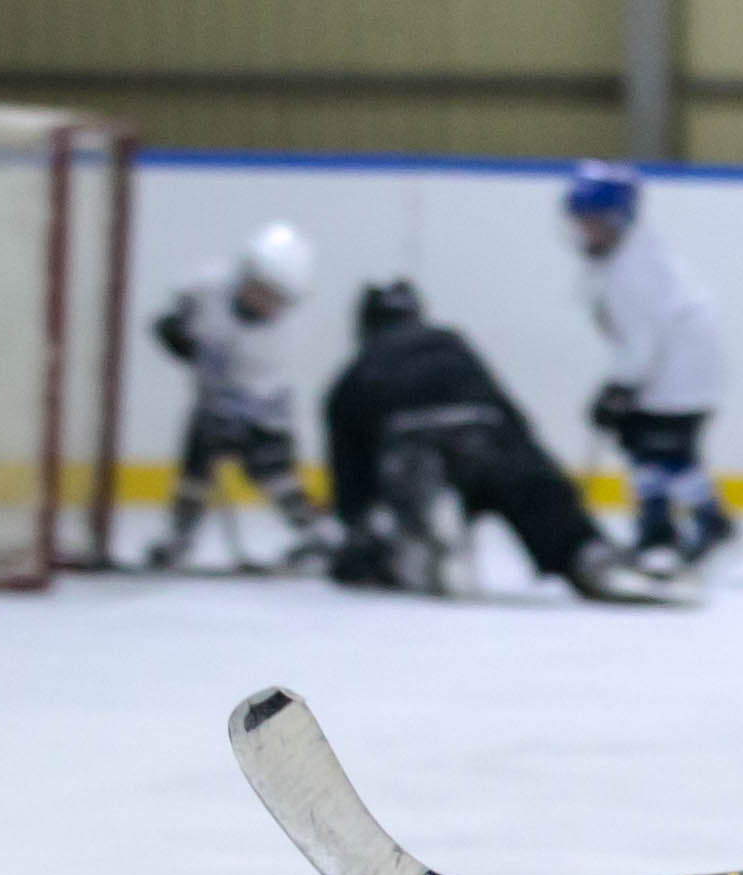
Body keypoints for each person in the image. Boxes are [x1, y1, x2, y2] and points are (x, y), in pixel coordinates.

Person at [319, 278, 646, 602]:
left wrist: (357, 532)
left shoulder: (356, 371)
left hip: (413, 446)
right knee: (531, 492)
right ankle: (587, 556)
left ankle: (419, 538)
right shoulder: (452, 345)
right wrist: (550, 489)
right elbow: (513, 421)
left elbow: (350, 477)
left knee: (395, 509)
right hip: (485, 431)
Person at [565, 161, 738, 588]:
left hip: (675, 374)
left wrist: (617, 388)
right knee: (648, 449)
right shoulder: (630, 256)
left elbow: (642, 341)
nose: (586, 231)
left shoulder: (633, 270)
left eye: (594, 222)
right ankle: (662, 530)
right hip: (673, 370)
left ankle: (693, 527)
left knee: (661, 448)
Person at [137, 222, 328, 572]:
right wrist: (178, 336)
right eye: (264, 291)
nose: (268, 304)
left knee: (273, 470)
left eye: (278, 299)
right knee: (196, 465)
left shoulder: (275, 341)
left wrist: (236, 421)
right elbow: (173, 319)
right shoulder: (208, 286)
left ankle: (315, 532)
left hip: (262, 406)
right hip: (213, 400)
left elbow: (259, 390)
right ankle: (180, 536)